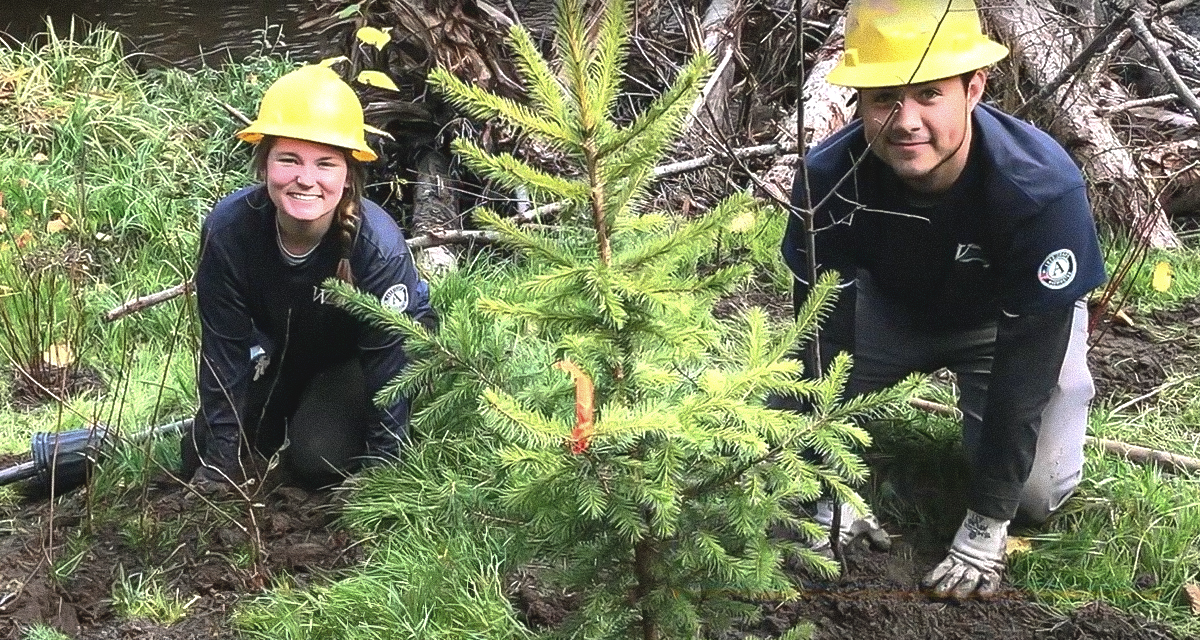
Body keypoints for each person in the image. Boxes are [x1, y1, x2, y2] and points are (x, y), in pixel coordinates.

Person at [782, 0, 1106, 599]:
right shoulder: (829, 179)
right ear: (860, 102)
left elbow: (1028, 361)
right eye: (884, 98)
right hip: (888, 313)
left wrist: (986, 523)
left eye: (930, 94)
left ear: (973, 88)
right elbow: (820, 334)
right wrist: (830, 488)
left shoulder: (1039, 187)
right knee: (776, 429)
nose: (905, 121)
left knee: (1034, 496)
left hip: (1009, 324)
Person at [181, 65, 438, 490]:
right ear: (264, 165)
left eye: (325, 164)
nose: (306, 179)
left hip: (364, 356)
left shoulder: (376, 246)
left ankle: (323, 416)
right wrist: (219, 464)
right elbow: (223, 352)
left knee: (317, 458)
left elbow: (390, 362)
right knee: (198, 449)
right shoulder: (228, 232)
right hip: (290, 349)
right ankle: (294, 405)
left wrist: (383, 468)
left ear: (348, 175)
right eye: (289, 159)